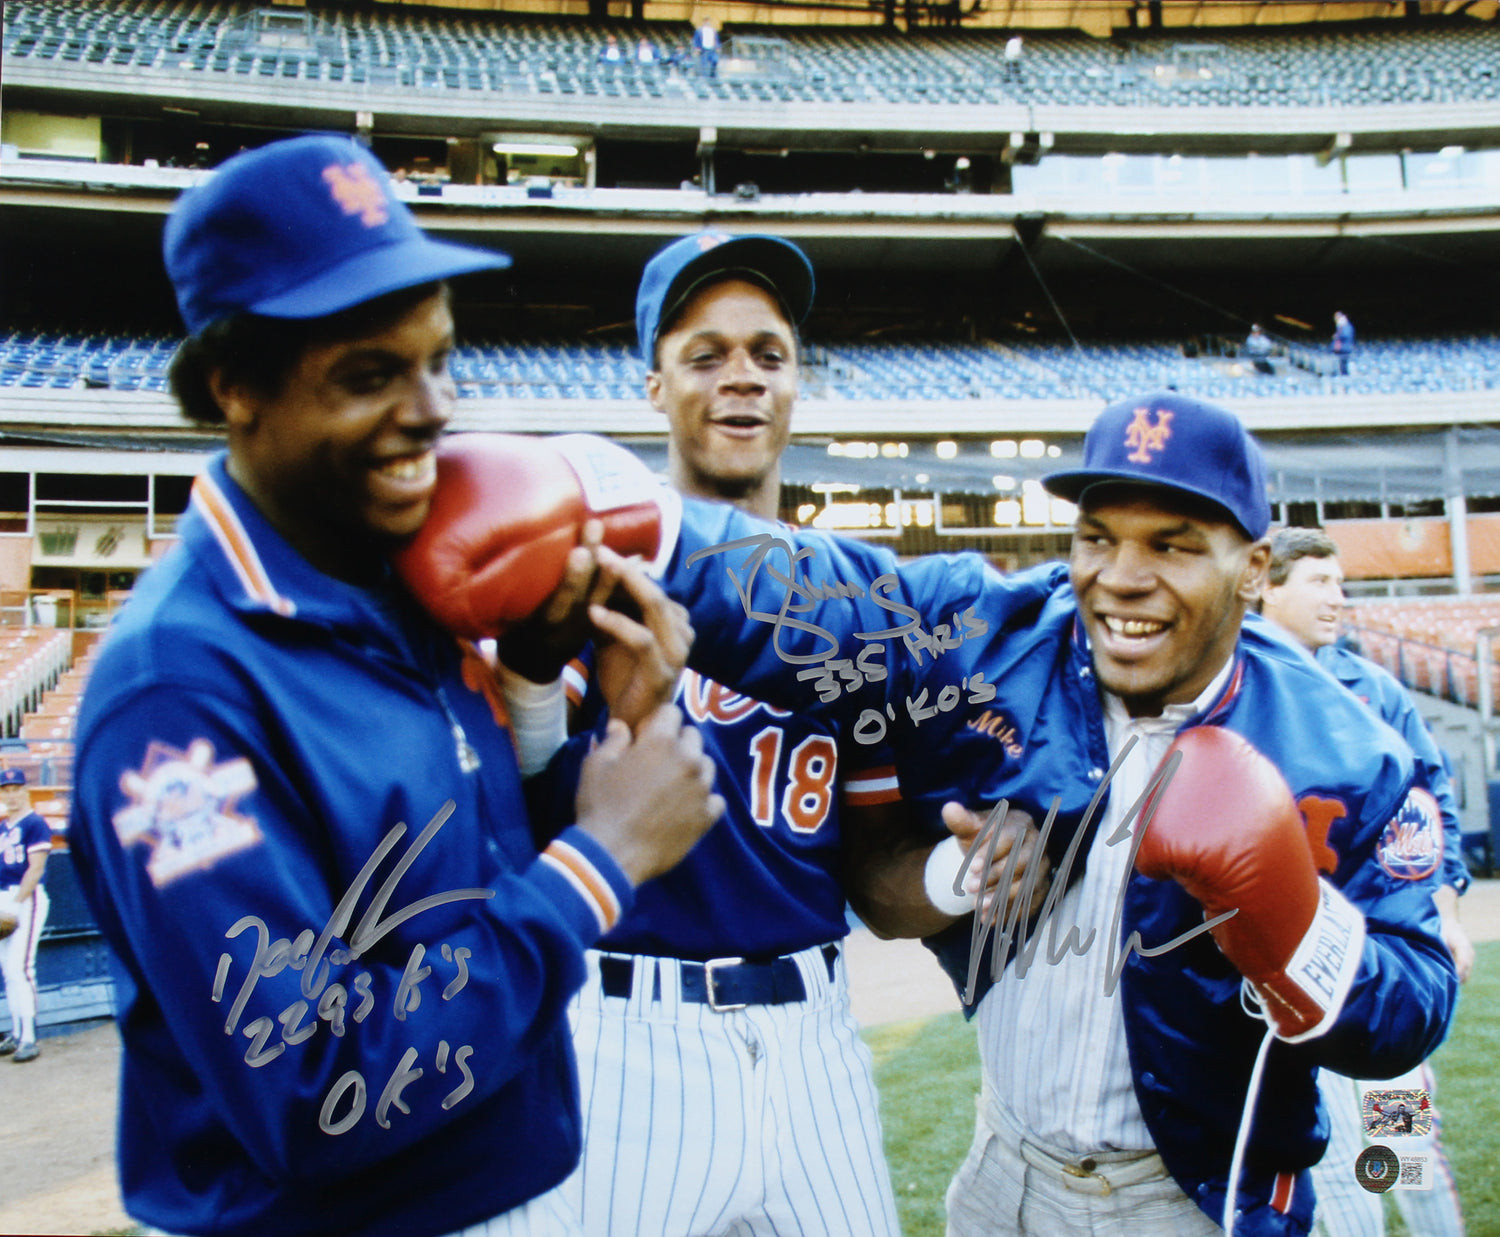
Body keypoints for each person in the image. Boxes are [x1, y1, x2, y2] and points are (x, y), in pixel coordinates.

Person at [401, 391, 1458, 1237]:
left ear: (1253, 567)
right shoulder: (1009, 639)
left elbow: (1412, 1006)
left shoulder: (1349, 749)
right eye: (1097, 536)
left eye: (1173, 543)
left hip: (1190, 1193)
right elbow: (838, 597)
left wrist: (1287, 923)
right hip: (1005, 1170)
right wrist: (642, 520)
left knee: (1390, 1164)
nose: (1120, 578)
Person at [67, 134, 723, 1237]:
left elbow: (454, 891)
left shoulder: (394, 575)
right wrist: (599, 867)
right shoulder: (173, 698)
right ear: (235, 385)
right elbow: (313, 1089)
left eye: (438, 361)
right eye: (371, 374)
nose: (429, 410)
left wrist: (536, 693)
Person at [544, 232, 907, 1236]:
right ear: (653, 384)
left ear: (797, 381)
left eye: (768, 353)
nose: (741, 377)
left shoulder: (859, 589)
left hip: (817, 1037)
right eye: (706, 355)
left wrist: (972, 868)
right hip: (625, 1031)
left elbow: (875, 877)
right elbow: (515, 807)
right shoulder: (594, 569)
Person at [1260, 526, 1470, 1237]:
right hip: (1280, 973)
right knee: (1331, 1161)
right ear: (1266, 584)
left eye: (1340, 581)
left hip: (1378, 963)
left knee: (1398, 1144)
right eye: (1318, 580)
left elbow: (1429, 798)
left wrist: (1442, 912)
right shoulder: (1231, 686)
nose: (1337, 596)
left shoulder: (1370, 687)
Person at [0, 767, 50, 1063]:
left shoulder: (35, 823)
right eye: (6, 789)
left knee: (21, 967)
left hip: (26, 898)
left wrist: (15, 904)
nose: (11, 794)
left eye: (16, 788)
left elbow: (37, 868)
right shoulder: (4, 827)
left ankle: (30, 1037)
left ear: (26, 790)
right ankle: (17, 1033)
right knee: (7, 969)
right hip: (5, 897)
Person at [1331, 311, 1355, 376]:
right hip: (1340, 348)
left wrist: (1337, 336)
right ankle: (1342, 375)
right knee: (1340, 363)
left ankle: (1345, 376)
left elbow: (1346, 335)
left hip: (1344, 348)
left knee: (1344, 363)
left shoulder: (1346, 326)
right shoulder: (1340, 326)